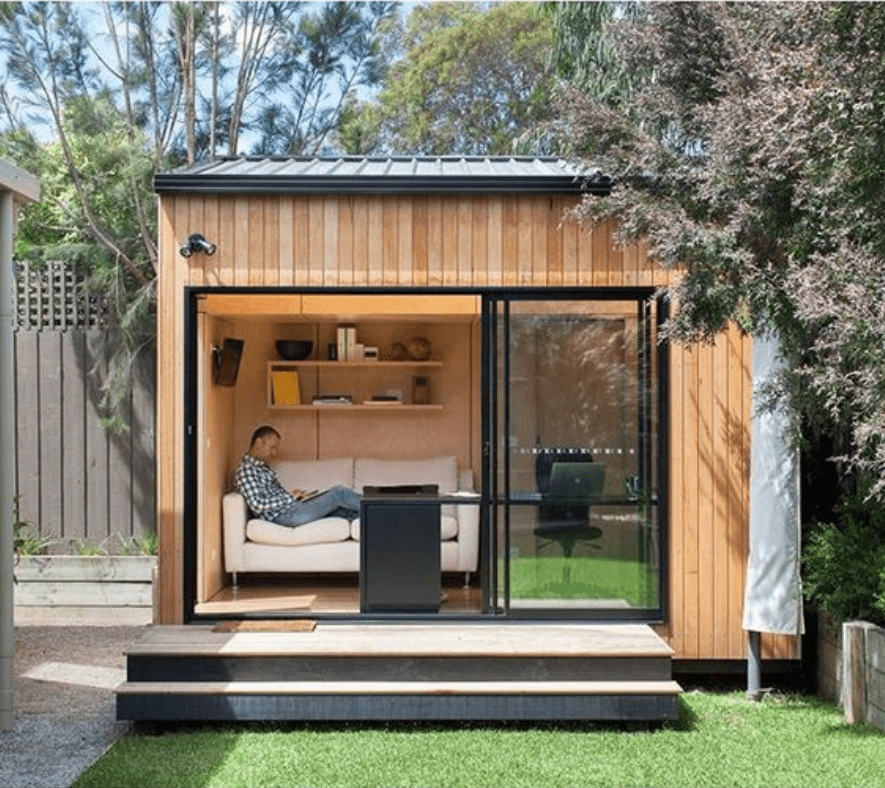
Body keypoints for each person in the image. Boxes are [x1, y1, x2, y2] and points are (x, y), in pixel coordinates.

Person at [234, 425, 361, 527]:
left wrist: (295, 496)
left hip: (291, 509)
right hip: (285, 515)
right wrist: (289, 499)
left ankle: (377, 518)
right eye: (272, 447)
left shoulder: (261, 468)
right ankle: (379, 506)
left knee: (344, 512)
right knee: (339, 493)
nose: (274, 453)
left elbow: (270, 496)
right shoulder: (246, 471)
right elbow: (256, 503)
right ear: (258, 443)